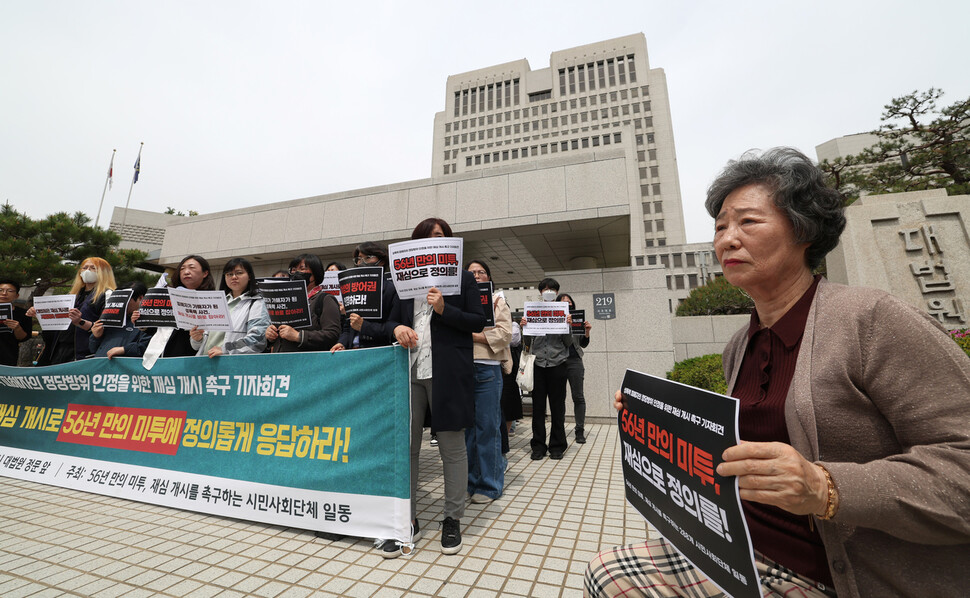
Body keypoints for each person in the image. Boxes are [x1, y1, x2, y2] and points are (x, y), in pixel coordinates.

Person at [585, 147, 970, 598]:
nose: (727, 239)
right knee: (607, 573)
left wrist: (826, 487)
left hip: (836, 574)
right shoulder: (739, 345)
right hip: (736, 548)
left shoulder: (872, 320)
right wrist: (650, 416)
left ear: (803, 229)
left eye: (748, 222)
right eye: (720, 226)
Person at [380, 217, 485, 558]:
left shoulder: (464, 279)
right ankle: (405, 520)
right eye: (426, 238)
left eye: (439, 237)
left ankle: (452, 518)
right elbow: (390, 321)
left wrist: (443, 308)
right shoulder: (401, 282)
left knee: (452, 448)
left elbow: (477, 321)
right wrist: (396, 329)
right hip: (408, 372)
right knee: (407, 448)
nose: (432, 243)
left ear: (449, 245)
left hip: (447, 373)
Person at [465, 259, 512, 504]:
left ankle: (490, 485)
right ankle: (471, 482)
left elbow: (505, 334)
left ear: (488, 277)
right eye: (471, 272)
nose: (475, 275)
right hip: (462, 369)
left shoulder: (496, 300)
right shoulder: (459, 300)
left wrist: (471, 334)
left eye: (480, 272)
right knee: (469, 432)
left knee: (488, 428)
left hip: (487, 368)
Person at [520, 278, 573, 460]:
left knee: (557, 407)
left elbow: (568, 343)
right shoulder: (534, 310)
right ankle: (538, 446)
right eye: (545, 289)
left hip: (558, 364)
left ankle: (557, 445)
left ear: (557, 293)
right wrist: (525, 328)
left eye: (551, 289)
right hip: (539, 364)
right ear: (540, 292)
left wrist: (567, 325)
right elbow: (527, 345)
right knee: (538, 408)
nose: (548, 291)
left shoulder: (562, 311)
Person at [33, 257, 117, 365]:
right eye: (84, 268)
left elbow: (105, 328)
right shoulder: (73, 295)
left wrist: (80, 322)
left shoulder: (108, 295)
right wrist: (42, 314)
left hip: (84, 352)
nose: (87, 271)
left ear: (103, 272)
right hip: (59, 350)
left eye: (93, 268)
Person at [190, 258, 269, 357]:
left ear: (249, 276)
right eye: (229, 274)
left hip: (232, 365)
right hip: (205, 363)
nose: (234, 277)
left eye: (239, 273)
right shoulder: (216, 302)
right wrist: (197, 338)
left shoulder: (257, 303)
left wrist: (227, 349)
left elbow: (257, 339)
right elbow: (197, 346)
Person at [144, 254, 217, 361]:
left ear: (205, 273)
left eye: (192, 268)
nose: (186, 272)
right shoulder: (167, 295)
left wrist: (197, 338)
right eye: (182, 269)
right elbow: (155, 331)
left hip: (189, 362)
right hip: (158, 359)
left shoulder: (212, 302)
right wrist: (143, 323)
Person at [265, 253, 340, 352]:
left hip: (307, 361)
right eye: (294, 269)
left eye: (302, 268)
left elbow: (332, 334)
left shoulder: (325, 299)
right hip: (280, 360)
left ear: (315, 272)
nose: (297, 272)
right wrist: (270, 335)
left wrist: (298, 336)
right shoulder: (286, 299)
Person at [331, 242, 393, 352]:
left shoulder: (391, 290)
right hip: (353, 353)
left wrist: (364, 326)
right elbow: (348, 326)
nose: (362, 262)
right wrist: (342, 342)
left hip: (378, 353)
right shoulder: (353, 289)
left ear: (382, 261)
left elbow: (394, 328)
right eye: (359, 259)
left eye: (368, 258)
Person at [557, 292, 592, 444]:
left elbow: (583, 344)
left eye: (569, 301)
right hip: (557, 361)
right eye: (563, 301)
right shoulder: (554, 319)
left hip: (574, 361)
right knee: (559, 398)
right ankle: (559, 431)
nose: (567, 303)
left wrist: (587, 332)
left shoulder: (578, 318)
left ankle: (579, 431)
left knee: (578, 396)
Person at [89, 282, 152, 358]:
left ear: (140, 299)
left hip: (124, 367)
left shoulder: (148, 321)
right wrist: (96, 337)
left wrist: (124, 349)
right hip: (100, 365)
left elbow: (147, 349)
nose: (121, 303)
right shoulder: (110, 318)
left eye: (125, 299)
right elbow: (93, 349)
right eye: (119, 299)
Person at [0, 279, 32, 366]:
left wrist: (17, 328)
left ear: (16, 295)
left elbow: (24, 338)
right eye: (1, 290)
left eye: (10, 291)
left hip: (7, 357)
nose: (4, 293)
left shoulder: (23, 313)